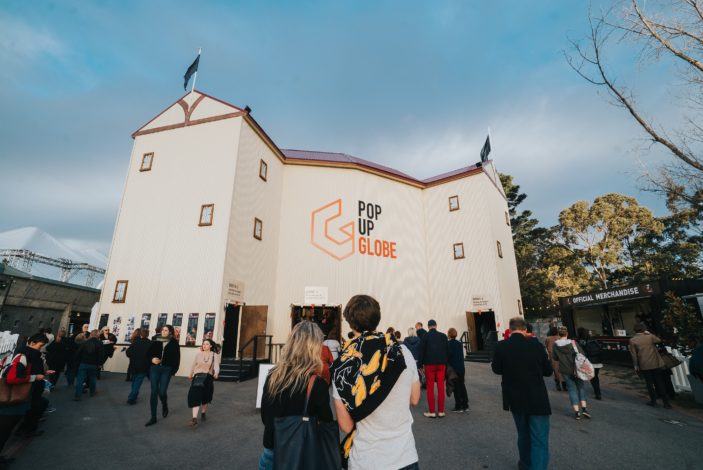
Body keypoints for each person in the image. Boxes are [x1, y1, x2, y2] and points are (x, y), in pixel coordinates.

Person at [332, 295, 420, 470]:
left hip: (366, 459)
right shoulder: (402, 352)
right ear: (377, 318)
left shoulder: (342, 366)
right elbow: (415, 399)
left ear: (350, 323)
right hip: (405, 456)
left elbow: (346, 426)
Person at [259, 321, 333, 469]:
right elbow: (326, 424)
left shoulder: (273, 376)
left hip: (272, 452)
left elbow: (265, 416)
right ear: (314, 347)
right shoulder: (317, 384)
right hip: (302, 455)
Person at [492, 317, 552, 470]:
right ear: (525, 329)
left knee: (523, 435)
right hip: (537, 397)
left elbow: (496, 369)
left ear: (510, 329)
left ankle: (525, 464)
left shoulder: (501, 346)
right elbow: (548, 371)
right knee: (539, 438)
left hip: (515, 397)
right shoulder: (536, 345)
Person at [0, 334, 49, 465]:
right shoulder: (24, 356)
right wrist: (34, 377)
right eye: (40, 345)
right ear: (31, 342)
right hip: (13, 400)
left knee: (6, 431)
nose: (41, 348)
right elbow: (12, 378)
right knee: (4, 432)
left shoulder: (26, 355)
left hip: (17, 399)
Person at [552, 326, 592, 420]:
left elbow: (555, 358)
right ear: (567, 334)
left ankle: (577, 412)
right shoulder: (573, 343)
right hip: (577, 369)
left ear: (559, 334)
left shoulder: (555, 345)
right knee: (581, 387)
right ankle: (584, 409)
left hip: (565, 370)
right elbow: (582, 354)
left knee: (572, 390)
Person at [145, 325, 181, 426]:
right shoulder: (156, 340)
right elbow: (148, 354)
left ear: (170, 332)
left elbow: (177, 358)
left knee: (162, 392)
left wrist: (172, 371)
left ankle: (164, 404)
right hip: (154, 368)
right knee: (154, 392)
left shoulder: (174, 343)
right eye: (162, 330)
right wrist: (152, 359)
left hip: (166, 370)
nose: (163, 332)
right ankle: (153, 417)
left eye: (166, 330)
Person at [629, 323, 671, 409]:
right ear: (644, 329)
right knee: (659, 382)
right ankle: (666, 402)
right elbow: (659, 340)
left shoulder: (632, 340)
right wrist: (650, 333)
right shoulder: (650, 337)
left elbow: (633, 354)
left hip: (644, 364)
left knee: (649, 383)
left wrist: (635, 365)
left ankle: (653, 401)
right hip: (655, 362)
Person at [419, 319, 449, 418]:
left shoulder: (425, 336)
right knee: (441, 387)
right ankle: (441, 411)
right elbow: (447, 350)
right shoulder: (443, 336)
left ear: (428, 327)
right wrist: (446, 362)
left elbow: (421, 351)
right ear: (436, 326)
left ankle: (432, 411)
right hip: (441, 364)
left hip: (429, 364)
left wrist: (420, 365)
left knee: (430, 388)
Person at [187, 338, 220, 428]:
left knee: (205, 397)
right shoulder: (198, 355)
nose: (205, 345)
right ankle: (194, 419)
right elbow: (193, 365)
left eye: (207, 344)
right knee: (195, 396)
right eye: (204, 344)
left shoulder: (214, 355)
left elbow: (216, 366)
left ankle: (203, 412)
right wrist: (190, 374)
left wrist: (216, 373)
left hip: (208, 378)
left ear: (211, 346)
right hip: (197, 377)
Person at [72, 330, 105, 401]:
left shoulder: (85, 342)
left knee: (80, 380)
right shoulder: (100, 343)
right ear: (98, 336)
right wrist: (100, 363)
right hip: (93, 364)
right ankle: (92, 392)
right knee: (93, 379)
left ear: (91, 335)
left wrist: (77, 362)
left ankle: (77, 396)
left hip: (83, 363)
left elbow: (78, 353)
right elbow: (101, 355)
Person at [126, 328, 152, 405]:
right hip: (144, 366)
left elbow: (128, 353)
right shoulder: (150, 343)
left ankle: (133, 396)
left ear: (141, 334)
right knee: (138, 381)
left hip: (134, 365)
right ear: (147, 334)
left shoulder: (135, 342)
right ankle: (132, 396)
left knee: (134, 381)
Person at [578, 328, 603, 400]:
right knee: (595, 377)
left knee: (592, 378)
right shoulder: (594, 340)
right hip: (598, 362)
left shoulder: (582, 341)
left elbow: (581, 352)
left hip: (590, 362)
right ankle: (598, 392)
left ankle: (597, 394)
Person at [448, 328, 469, 412]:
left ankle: (458, 406)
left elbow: (449, 356)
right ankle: (465, 405)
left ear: (449, 334)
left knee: (456, 388)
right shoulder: (459, 343)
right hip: (461, 368)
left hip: (454, 369)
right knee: (462, 386)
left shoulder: (448, 344)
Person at [544, 326, 566, 392]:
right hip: (560, 355)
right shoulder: (559, 337)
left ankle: (558, 384)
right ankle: (564, 385)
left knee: (555, 371)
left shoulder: (548, 338)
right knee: (562, 370)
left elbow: (546, 346)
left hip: (552, 356)